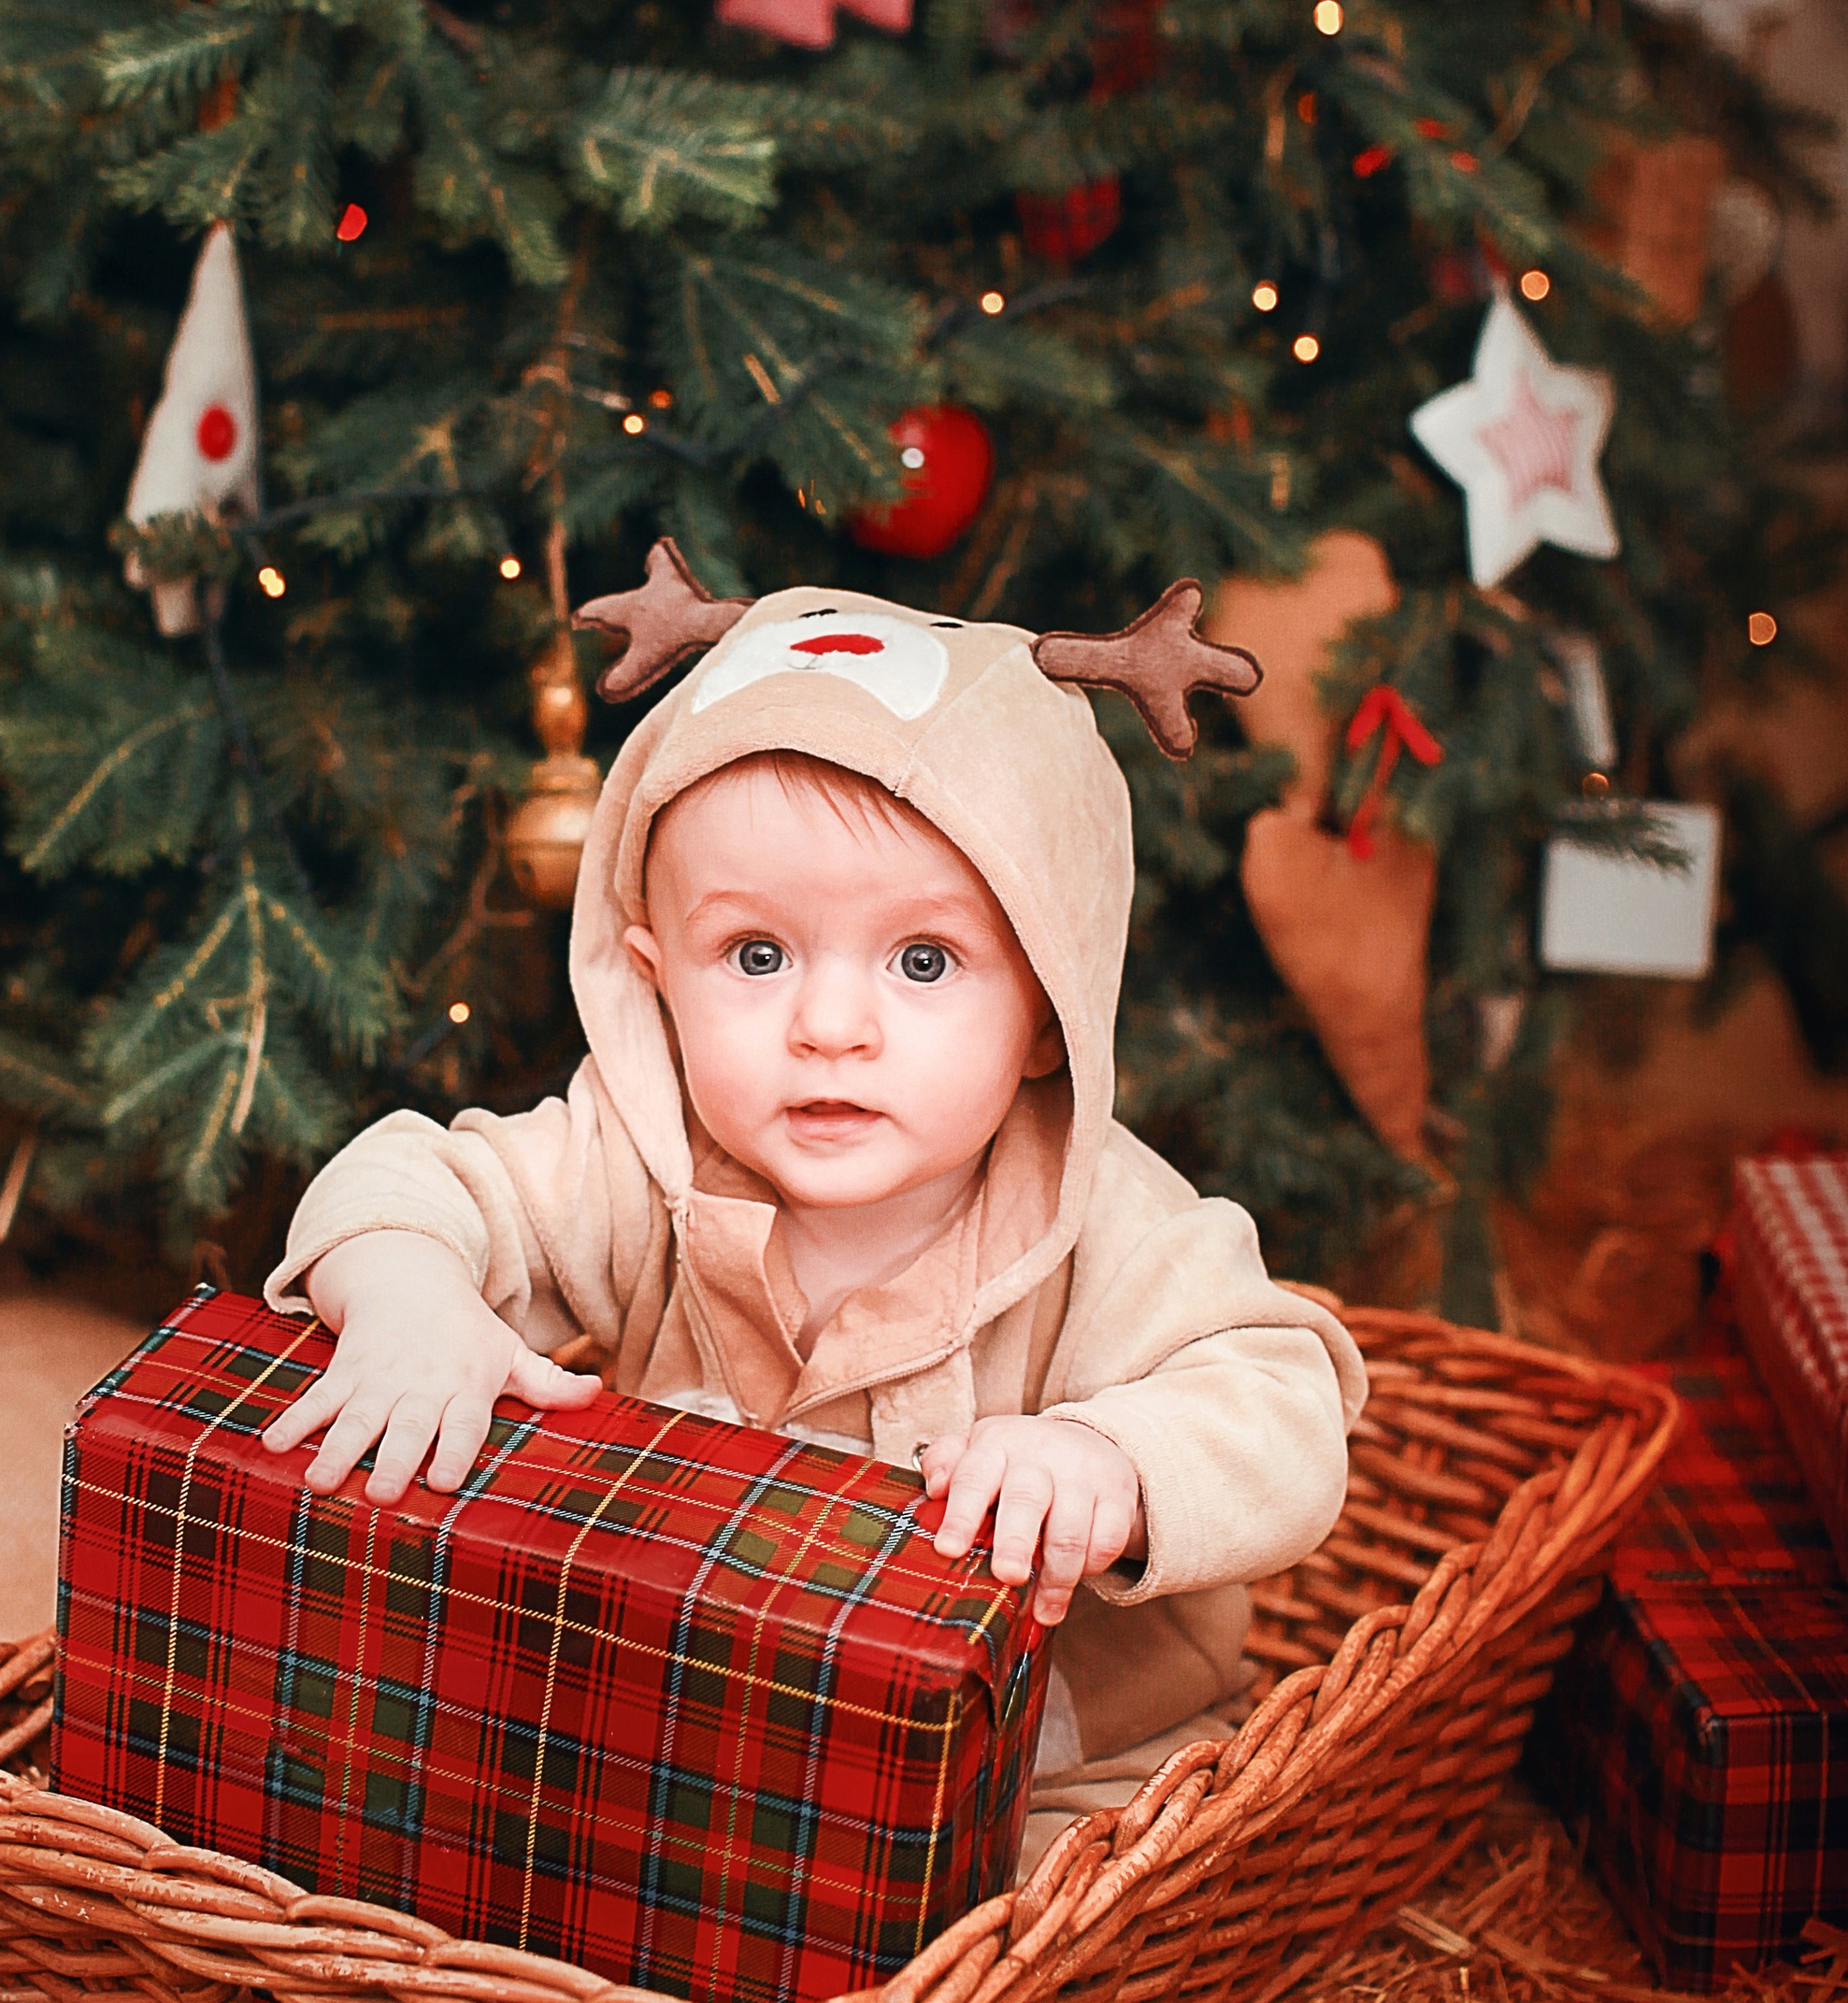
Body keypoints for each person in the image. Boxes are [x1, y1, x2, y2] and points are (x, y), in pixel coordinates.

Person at [262, 560, 1365, 1847]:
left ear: (1046, 1013)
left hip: (1051, 1738)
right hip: (705, 1709)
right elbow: (406, 1180)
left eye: (923, 960)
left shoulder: (1105, 1215)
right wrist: (408, 1295)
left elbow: (1285, 1403)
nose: (830, 1025)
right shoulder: (641, 1154)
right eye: (757, 954)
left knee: (1092, 1866)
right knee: (449, 1785)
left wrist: (1112, 1462)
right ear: (656, 978)